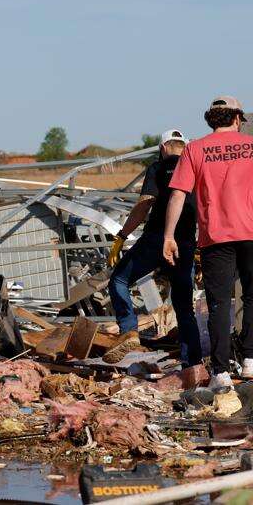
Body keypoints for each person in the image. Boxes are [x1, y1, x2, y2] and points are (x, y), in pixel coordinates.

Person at [164, 96, 253, 389]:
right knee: (251, 296)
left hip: (215, 237)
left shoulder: (195, 149)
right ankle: (250, 359)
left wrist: (168, 236)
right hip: (251, 233)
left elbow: (178, 194)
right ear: (237, 118)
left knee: (219, 304)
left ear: (210, 120)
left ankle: (221, 372)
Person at [106, 129, 202, 366]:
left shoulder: (158, 168)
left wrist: (122, 236)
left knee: (119, 280)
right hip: (185, 243)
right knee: (184, 307)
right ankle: (192, 363)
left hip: (156, 240)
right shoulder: (196, 167)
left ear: (162, 148)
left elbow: (144, 204)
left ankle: (129, 332)